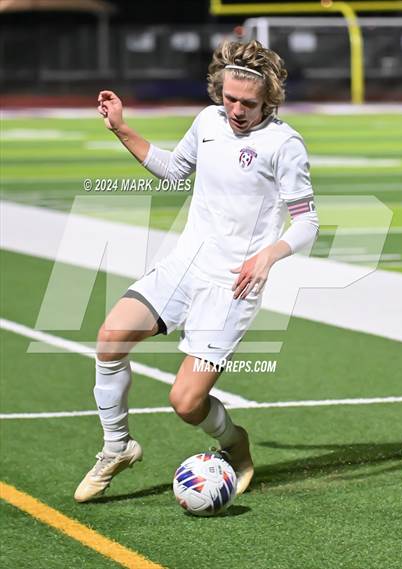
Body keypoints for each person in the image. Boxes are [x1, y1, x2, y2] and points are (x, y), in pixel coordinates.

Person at [74, 40, 319, 503]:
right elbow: (174, 170)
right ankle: (117, 446)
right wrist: (121, 128)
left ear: (269, 99)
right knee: (110, 338)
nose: (237, 110)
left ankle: (235, 443)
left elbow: (308, 221)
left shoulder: (284, 144)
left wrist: (267, 256)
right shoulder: (208, 121)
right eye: (230, 98)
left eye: (248, 103)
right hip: (184, 266)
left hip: (232, 287)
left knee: (186, 403)